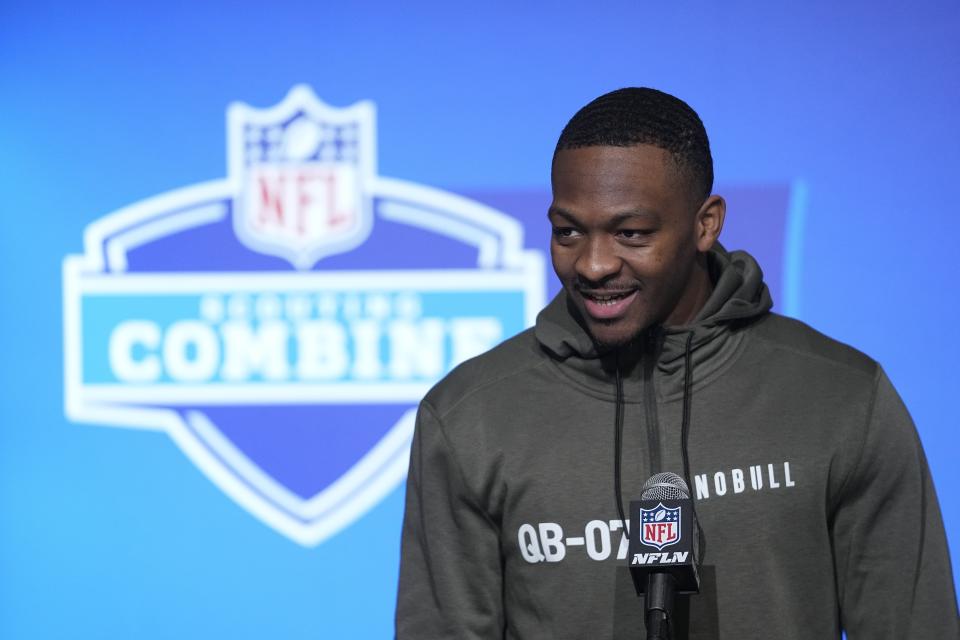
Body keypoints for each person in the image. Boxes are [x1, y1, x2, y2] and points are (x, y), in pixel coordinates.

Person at [395, 88, 959, 638]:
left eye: (631, 233)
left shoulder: (843, 397)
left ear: (705, 223)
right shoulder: (470, 416)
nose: (592, 264)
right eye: (568, 231)